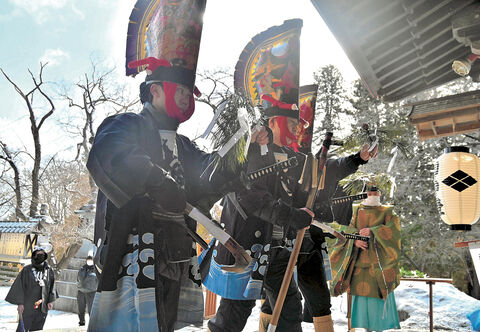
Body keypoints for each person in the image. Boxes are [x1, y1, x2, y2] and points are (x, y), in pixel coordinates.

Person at [330, 186, 401, 332]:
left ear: (380, 194)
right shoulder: (355, 210)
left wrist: (373, 232)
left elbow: (394, 234)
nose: (372, 195)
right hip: (358, 265)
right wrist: (354, 240)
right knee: (361, 304)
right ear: (363, 195)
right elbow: (344, 231)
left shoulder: (388, 212)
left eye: (375, 193)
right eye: (369, 193)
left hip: (379, 266)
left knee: (378, 302)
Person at [5, 246, 57, 332]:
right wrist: (20, 303)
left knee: (38, 329)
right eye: (38, 254)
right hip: (28, 307)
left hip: (42, 306)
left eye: (42, 254)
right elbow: (19, 287)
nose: (40, 256)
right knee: (23, 329)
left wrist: (50, 300)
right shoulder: (26, 270)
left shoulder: (48, 270)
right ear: (34, 256)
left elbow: (52, 285)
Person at [76, 255, 97, 326]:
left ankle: (92, 323)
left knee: (91, 309)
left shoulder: (96, 269)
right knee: (81, 308)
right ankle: (81, 321)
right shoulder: (82, 268)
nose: (89, 261)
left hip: (91, 291)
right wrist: (78, 285)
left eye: (90, 260)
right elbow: (78, 278)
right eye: (88, 259)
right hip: (81, 291)